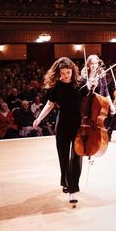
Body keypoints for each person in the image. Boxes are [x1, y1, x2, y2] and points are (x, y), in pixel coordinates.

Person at [33, 57, 87, 204]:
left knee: (76, 157)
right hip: (62, 124)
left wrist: (93, 86)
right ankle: (66, 182)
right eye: (62, 73)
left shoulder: (81, 83)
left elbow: (90, 99)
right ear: (59, 72)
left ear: (72, 70)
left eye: (68, 72)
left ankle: (73, 189)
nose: (65, 75)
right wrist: (39, 118)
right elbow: (50, 105)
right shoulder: (57, 86)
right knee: (63, 157)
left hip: (78, 125)